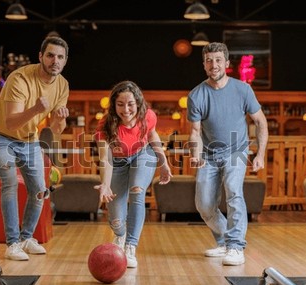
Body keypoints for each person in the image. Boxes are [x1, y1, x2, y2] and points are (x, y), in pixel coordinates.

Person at [0, 36, 70, 261]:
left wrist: (61, 119)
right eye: (50, 55)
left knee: (40, 189)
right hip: (0, 136)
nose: (55, 61)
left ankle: (26, 238)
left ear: (65, 60)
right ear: (41, 56)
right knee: (10, 182)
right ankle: (12, 244)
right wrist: (35, 109)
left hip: (29, 140)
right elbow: (12, 122)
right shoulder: (19, 78)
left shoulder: (62, 85)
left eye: (60, 57)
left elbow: (53, 129)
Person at [187, 42, 268, 266]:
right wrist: (196, 153)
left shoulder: (243, 90)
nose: (214, 65)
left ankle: (235, 246)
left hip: (237, 150)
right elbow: (195, 132)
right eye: (209, 60)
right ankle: (224, 241)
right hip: (209, 155)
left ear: (227, 63)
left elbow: (260, 121)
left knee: (234, 192)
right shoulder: (196, 95)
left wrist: (260, 154)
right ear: (204, 65)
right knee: (203, 205)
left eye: (218, 60)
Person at [94, 80, 172, 268]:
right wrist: (105, 184)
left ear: (138, 103)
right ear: (113, 105)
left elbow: (152, 135)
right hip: (118, 164)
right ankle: (120, 235)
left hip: (143, 154)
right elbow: (106, 158)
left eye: (130, 104)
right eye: (120, 104)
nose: (126, 109)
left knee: (137, 191)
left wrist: (164, 162)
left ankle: (131, 246)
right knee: (116, 220)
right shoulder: (105, 125)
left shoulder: (148, 116)